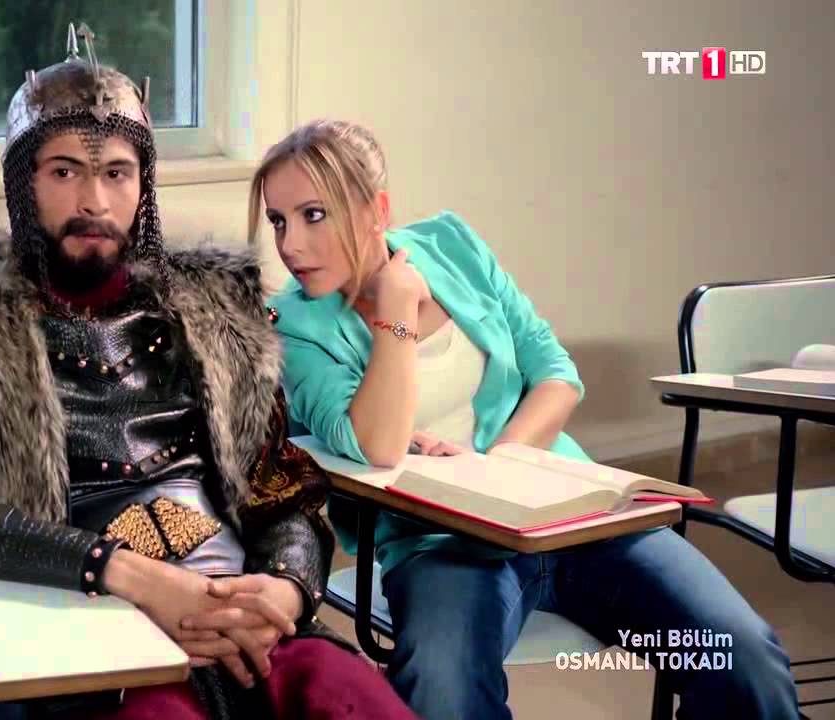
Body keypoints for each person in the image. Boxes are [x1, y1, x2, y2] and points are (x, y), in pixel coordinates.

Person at [0, 26, 417, 720]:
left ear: (143, 185)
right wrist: (124, 574)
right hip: (86, 635)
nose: (95, 202)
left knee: (351, 698)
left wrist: (285, 590)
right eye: (64, 171)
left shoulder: (214, 314)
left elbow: (281, 489)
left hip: (247, 625)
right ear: (23, 182)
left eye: (115, 173)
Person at [256, 119, 801, 720]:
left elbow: (556, 373)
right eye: (278, 221)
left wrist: (495, 471)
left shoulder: (452, 246)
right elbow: (378, 444)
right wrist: (396, 310)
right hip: (440, 545)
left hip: (573, 515)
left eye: (313, 215)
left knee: (743, 657)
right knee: (443, 694)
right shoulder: (292, 323)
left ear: (375, 211)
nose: (290, 245)